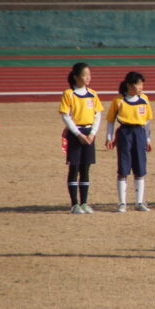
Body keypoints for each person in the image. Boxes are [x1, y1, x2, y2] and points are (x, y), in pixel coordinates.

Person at [59, 62, 103, 214]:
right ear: (76, 77)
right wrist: (78, 134)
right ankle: (74, 204)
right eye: (85, 75)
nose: (88, 78)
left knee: (86, 168)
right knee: (74, 167)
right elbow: (65, 116)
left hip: (89, 134)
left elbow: (98, 115)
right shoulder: (69, 94)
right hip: (76, 134)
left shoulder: (93, 94)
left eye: (89, 75)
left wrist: (92, 134)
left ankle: (84, 203)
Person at [106, 71, 153, 213]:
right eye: (137, 84)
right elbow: (110, 120)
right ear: (128, 85)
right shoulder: (118, 100)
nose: (140, 87)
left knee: (140, 168)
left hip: (139, 133)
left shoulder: (144, 99)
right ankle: (122, 203)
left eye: (141, 84)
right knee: (123, 168)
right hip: (124, 133)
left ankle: (139, 202)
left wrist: (148, 139)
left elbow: (147, 121)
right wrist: (109, 137)